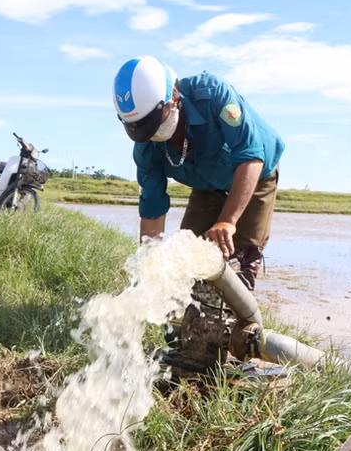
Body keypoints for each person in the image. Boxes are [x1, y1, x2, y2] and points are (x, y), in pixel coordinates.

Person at [113, 55, 285, 292]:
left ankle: (240, 321)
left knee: (240, 262)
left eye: (154, 121)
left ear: (173, 95)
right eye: (142, 128)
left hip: (254, 174)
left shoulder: (213, 94)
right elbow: (152, 213)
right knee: (186, 261)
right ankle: (189, 324)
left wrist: (227, 221)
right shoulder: (146, 149)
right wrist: (148, 271)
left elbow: (250, 157)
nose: (152, 133)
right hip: (207, 184)